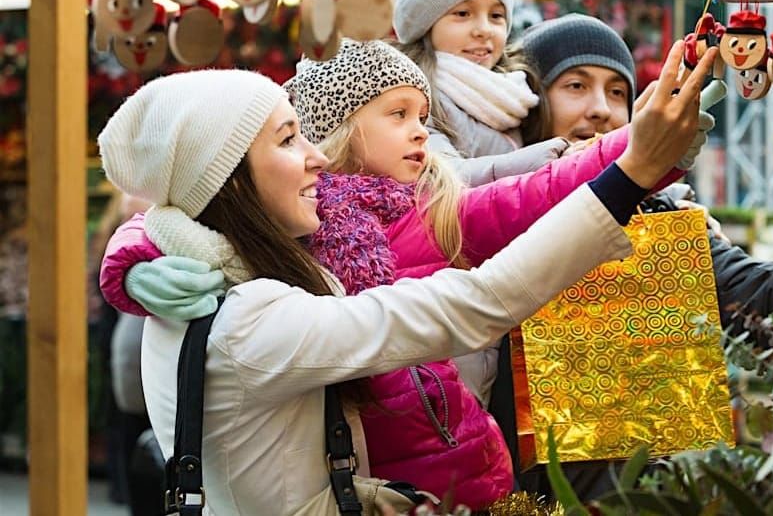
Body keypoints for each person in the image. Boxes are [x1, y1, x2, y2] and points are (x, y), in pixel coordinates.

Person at [95, 48, 712, 515]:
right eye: (289, 140)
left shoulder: (220, 276)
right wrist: (633, 169)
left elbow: (525, 188)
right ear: (229, 181)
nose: (310, 155)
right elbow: (475, 305)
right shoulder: (251, 314)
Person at [504, 14, 773, 499]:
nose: (601, 111)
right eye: (575, 86)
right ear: (531, 103)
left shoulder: (665, 218)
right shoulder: (483, 220)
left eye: (618, 93)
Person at [390, 0, 569, 187]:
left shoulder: (514, 93)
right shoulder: (414, 96)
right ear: (422, 25)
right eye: (463, 13)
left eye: (496, 15)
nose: (484, 29)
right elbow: (443, 175)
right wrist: (543, 161)